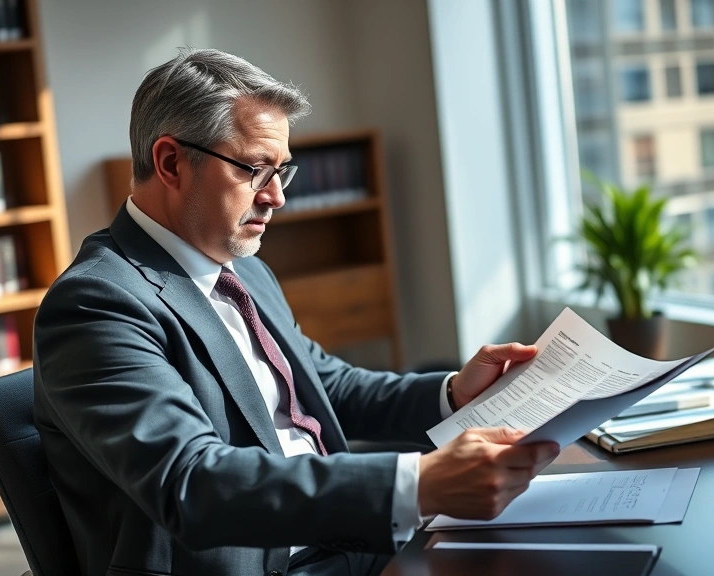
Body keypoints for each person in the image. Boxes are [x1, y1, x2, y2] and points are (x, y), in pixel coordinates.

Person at [33, 49, 561, 576]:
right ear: (171, 162)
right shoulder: (96, 304)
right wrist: (415, 484)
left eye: (282, 171)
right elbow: (192, 482)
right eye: (256, 170)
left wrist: (451, 394)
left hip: (350, 543)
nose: (278, 197)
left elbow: (325, 385)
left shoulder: (242, 269)